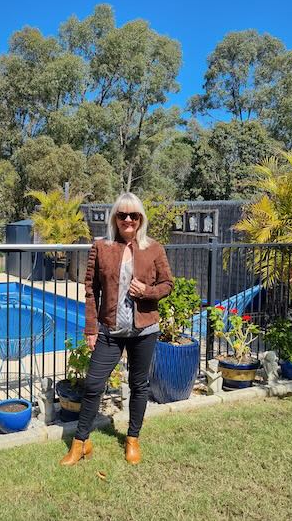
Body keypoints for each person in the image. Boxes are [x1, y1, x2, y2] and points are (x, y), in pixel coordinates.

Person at [60, 192, 173, 466]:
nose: (128, 220)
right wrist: (91, 328)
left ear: (141, 219)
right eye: (122, 215)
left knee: (138, 385)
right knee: (94, 384)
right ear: (114, 218)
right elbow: (91, 290)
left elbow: (168, 285)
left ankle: (132, 439)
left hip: (144, 330)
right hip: (109, 331)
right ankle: (81, 443)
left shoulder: (153, 248)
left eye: (133, 215)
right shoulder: (101, 247)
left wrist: (147, 292)